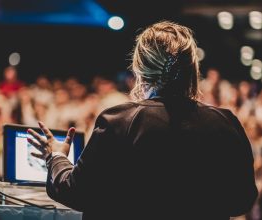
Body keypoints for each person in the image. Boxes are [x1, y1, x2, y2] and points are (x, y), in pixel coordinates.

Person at [27, 21, 257, 220]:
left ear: (139, 71)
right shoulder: (225, 123)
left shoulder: (118, 122)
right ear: (192, 70)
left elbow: (76, 192)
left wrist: (55, 157)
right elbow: (242, 200)